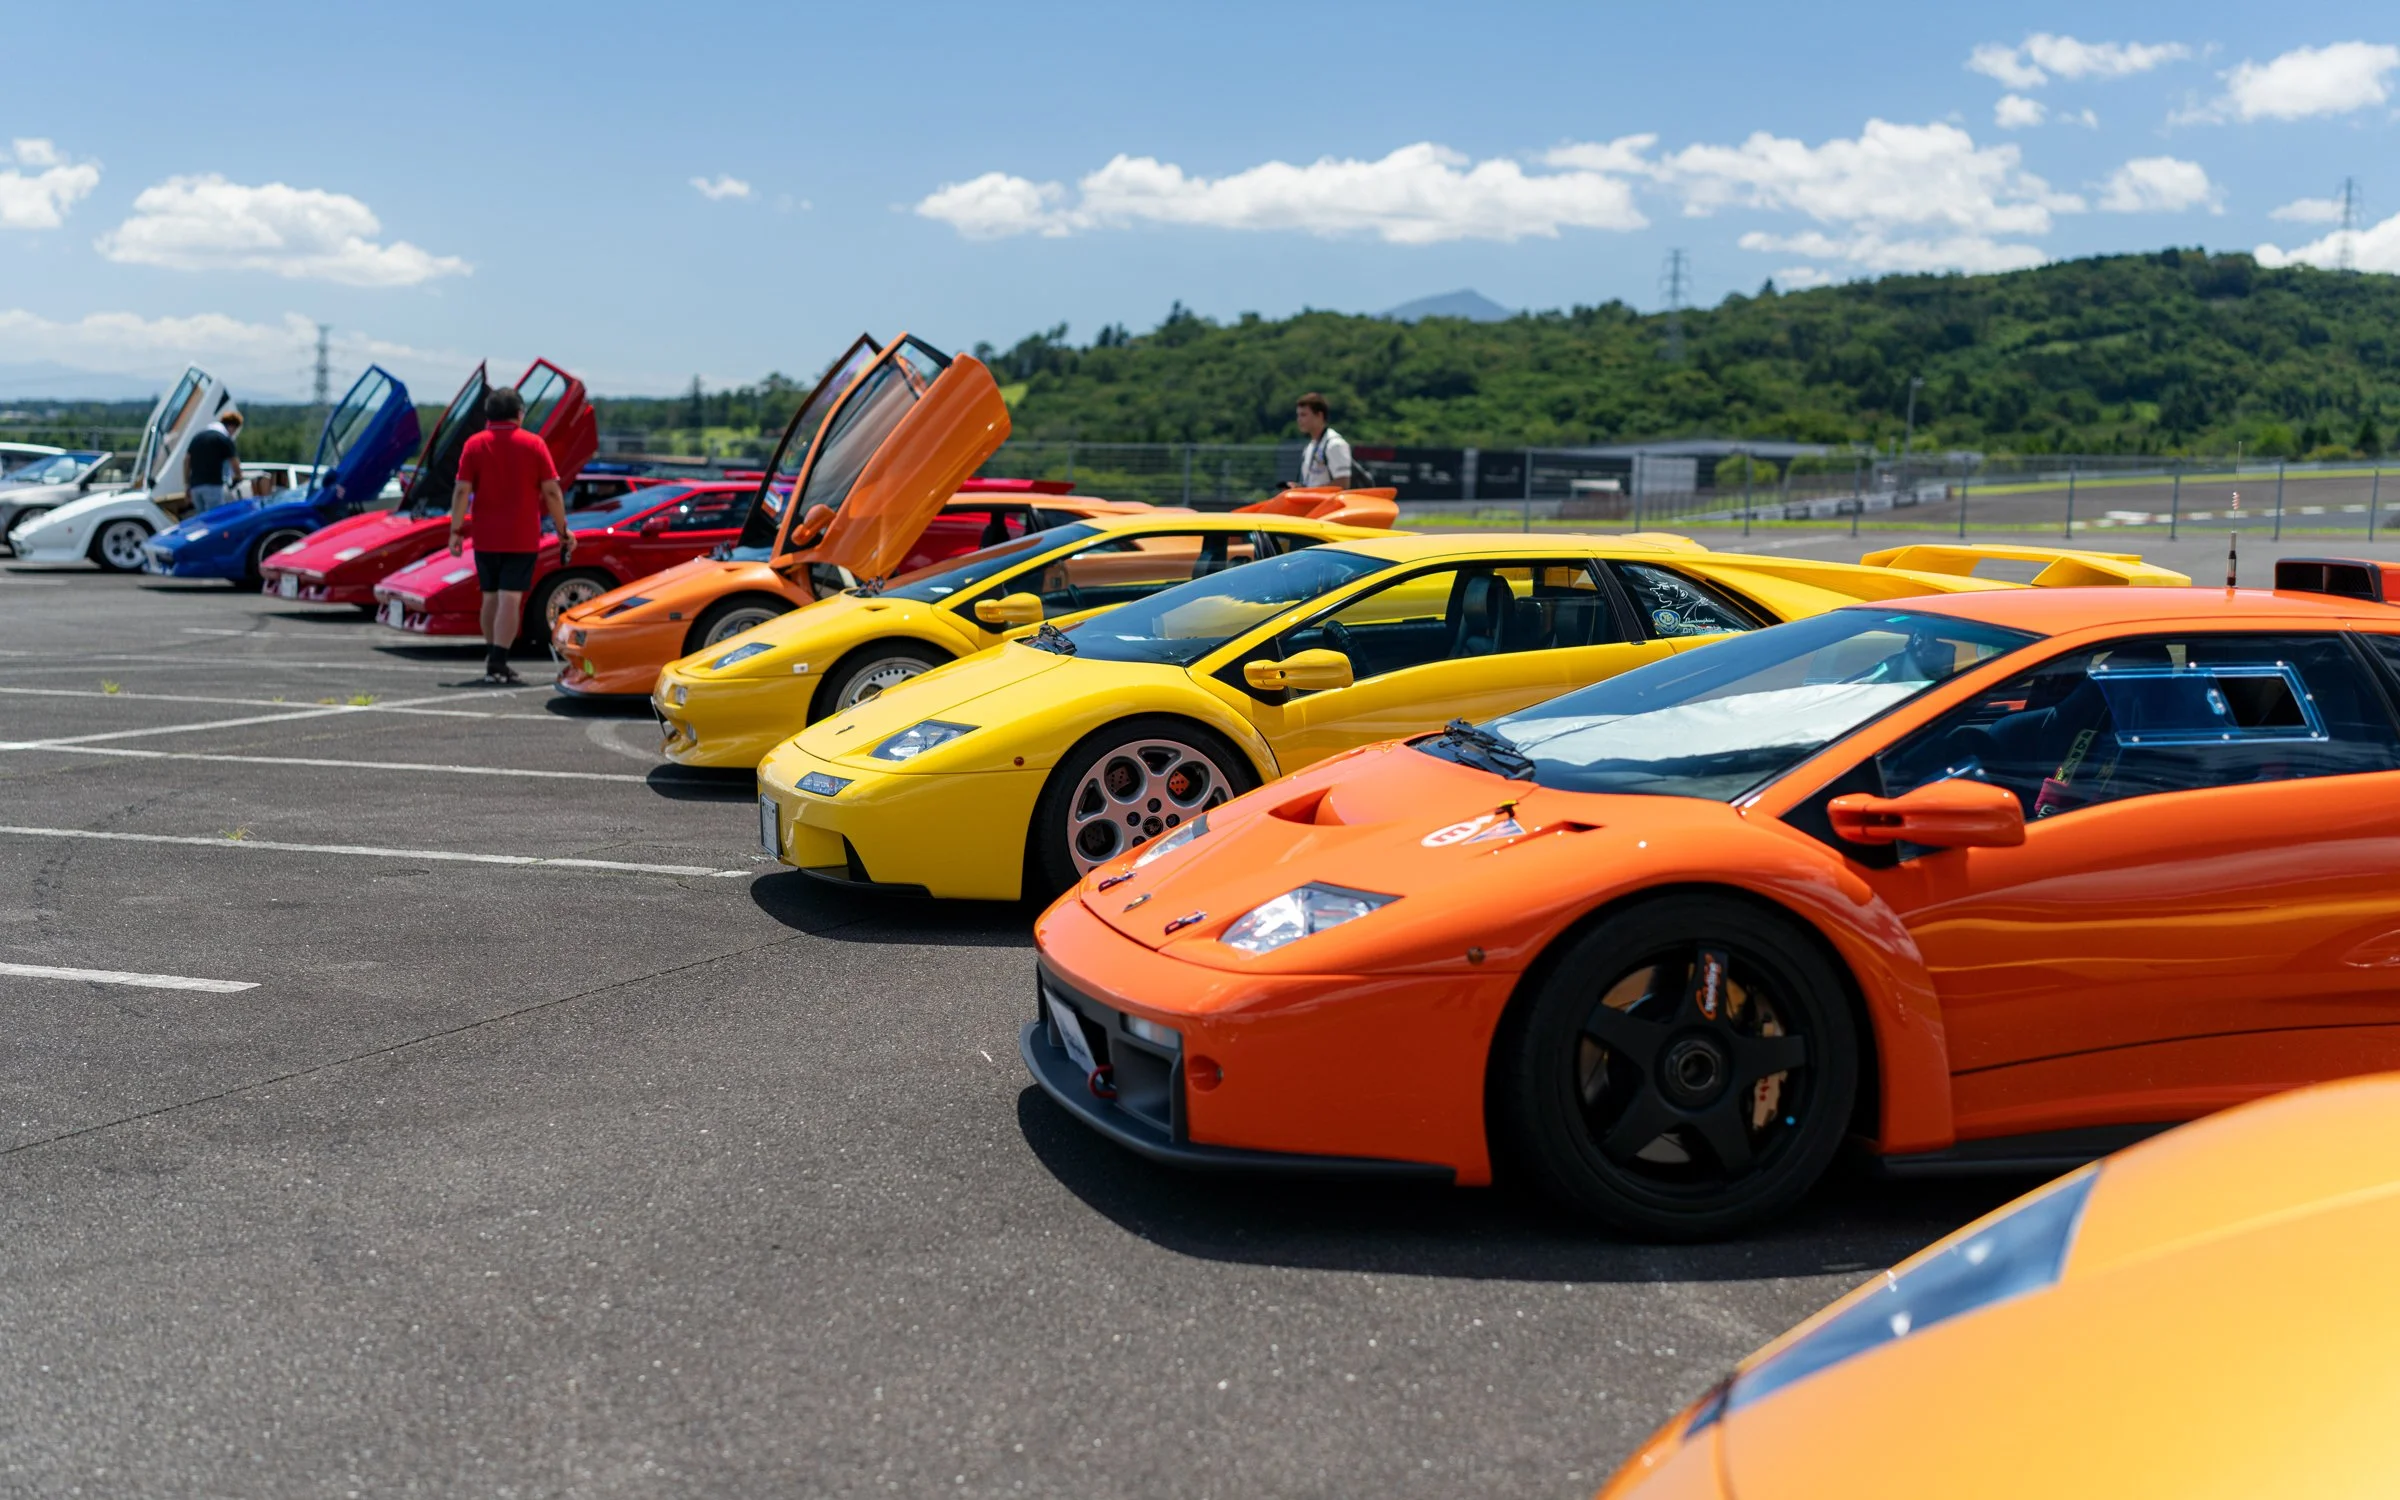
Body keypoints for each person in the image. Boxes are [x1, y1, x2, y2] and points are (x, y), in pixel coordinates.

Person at [449, 386, 570, 684]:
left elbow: (462, 490)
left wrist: (455, 530)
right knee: (509, 598)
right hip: (521, 535)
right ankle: (499, 660)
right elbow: (551, 491)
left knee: (489, 597)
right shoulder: (534, 444)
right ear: (519, 413)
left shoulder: (474, 445)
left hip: (485, 535)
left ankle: (492, 653)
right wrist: (563, 529)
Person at [183, 409, 242, 509]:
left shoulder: (197, 437)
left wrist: (187, 484)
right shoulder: (224, 439)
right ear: (232, 426)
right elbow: (234, 462)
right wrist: (238, 476)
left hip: (195, 488)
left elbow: (186, 461)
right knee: (216, 520)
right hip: (213, 486)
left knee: (202, 520)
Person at [1294, 392, 1352, 489]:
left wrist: (1309, 493)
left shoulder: (1334, 444)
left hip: (1330, 504)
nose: (1299, 419)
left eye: (1303, 415)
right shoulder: (1310, 447)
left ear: (1319, 416)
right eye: (1298, 415)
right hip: (1315, 503)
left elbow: (1343, 484)